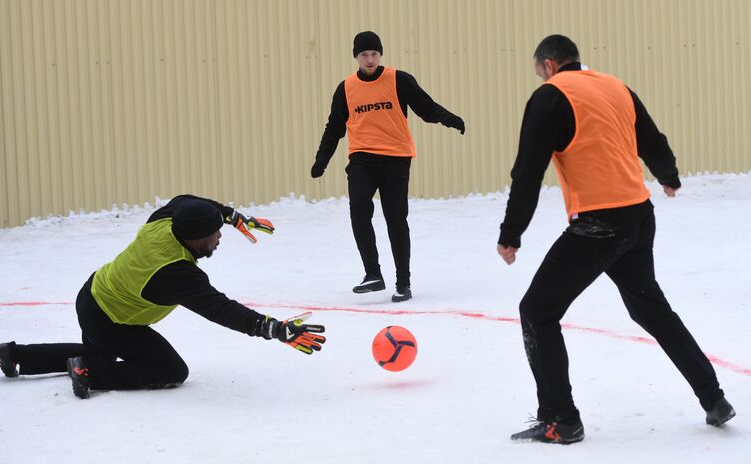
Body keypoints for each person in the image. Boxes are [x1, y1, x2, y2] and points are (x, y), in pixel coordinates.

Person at [497, 35, 735, 443]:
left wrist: (511, 232)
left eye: (539, 72)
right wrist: (668, 175)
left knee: (537, 310)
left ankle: (560, 419)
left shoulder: (550, 97)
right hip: (639, 215)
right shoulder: (614, 86)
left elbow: (528, 170)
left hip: (600, 224)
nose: (540, 79)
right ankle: (713, 397)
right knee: (651, 307)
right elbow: (651, 136)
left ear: (550, 65)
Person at [0, 195, 326, 399]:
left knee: (101, 349)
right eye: (215, 233)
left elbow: (186, 199)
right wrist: (272, 328)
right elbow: (219, 309)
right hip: (113, 320)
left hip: (93, 294)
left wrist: (229, 214)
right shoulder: (175, 273)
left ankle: (16, 355)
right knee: (170, 370)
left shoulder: (165, 220)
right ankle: (90, 373)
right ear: (196, 239)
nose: (220, 237)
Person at [311, 31, 466, 302]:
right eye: (364, 55)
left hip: (396, 158)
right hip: (362, 158)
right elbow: (334, 128)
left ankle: (403, 282)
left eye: (374, 54)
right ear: (356, 57)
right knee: (359, 209)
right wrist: (321, 159)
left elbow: (426, 108)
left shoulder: (398, 80)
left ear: (380, 54)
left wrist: (449, 119)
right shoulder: (346, 88)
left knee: (395, 218)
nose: (369, 59)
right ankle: (373, 273)